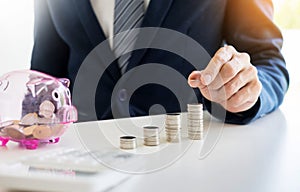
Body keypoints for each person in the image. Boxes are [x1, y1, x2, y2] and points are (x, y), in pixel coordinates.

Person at [31, 0, 289, 124]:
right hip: (84, 168)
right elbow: (43, 79)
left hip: (190, 164)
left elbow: (267, 60)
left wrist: (244, 91)